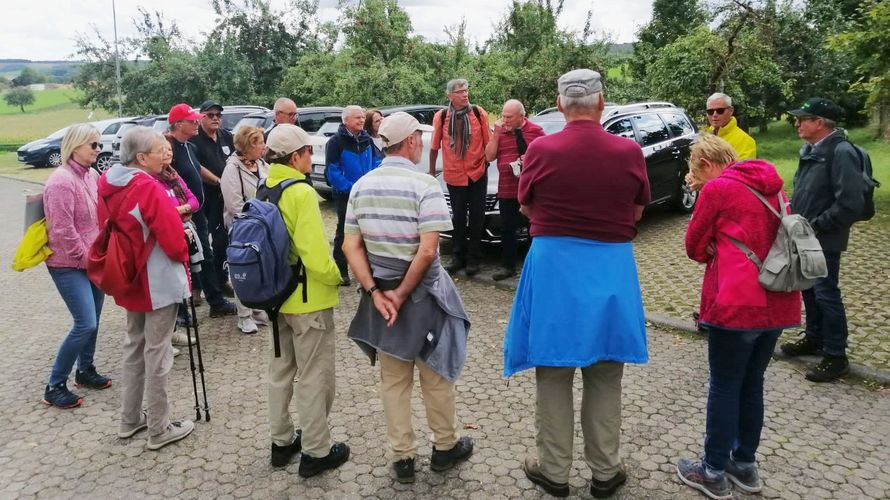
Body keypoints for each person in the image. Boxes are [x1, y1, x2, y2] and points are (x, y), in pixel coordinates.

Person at [503, 69, 649, 499]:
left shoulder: (542, 150)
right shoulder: (628, 152)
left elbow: (527, 207)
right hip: (611, 268)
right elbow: (637, 211)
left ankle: (554, 471)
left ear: (561, 104)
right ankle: (605, 472)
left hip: (556, 270)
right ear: (602, 102)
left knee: (553, 371)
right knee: (605, 373)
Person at [343, 112, 474, 484]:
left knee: (393, 381)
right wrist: (401, 293)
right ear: (413, 141)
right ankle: (444, 447)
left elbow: (350, 245)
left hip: (381, 298)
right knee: (435, 375)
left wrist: (376, 292)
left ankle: (403, 457)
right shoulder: (425, 186)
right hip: (422, 298)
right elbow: (428, 252)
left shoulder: (361, 187)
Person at [676, 134, 801, 500]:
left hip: (735, 303)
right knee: (752, 384)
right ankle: (744, 464)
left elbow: (693, 246)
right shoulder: (773, 186)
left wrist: (713, 241)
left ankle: (712, 470)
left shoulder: (719, 190)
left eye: (696, 171)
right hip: (777, 302)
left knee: (725, 384)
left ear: (709, 164)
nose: (695, 178)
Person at [99, 126, 195, 450]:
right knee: (158, 352)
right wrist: (186, 248)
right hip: (157, 280)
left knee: (134, 346)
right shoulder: (147, 186)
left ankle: (130, 419)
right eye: (159, 149)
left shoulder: (109, 182)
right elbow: (172, 239)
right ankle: (159, 427)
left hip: (129, 277)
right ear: (142, 157)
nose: (165, 154)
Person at [262, 124, 350, 476]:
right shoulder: (300, 192)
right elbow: (315, 255)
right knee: (314, 375)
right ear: (295, 156)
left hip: (275, 296)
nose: (311, 158)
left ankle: (281, 442)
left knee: (281, 371)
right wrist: (335, 276)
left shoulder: (264, 186)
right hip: (307, 299)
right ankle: (317, 450)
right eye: (308, 152)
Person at [780, 97, 864, 382]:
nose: (796, 123)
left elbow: (849, 203)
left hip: (823, 238)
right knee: (809, 289)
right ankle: (815, 337)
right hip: (804, 234)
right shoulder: (812, 149)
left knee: (827, 293)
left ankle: (836, 355)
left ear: (819, 123)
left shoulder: (841, 152)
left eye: (803, 119)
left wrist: (816, 226)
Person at [41, 123, 111, 409]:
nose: (99, 150)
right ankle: (54, 385)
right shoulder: (60, 182)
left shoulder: (92, 175)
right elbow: (61, 230)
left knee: (93, 318)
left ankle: (85, 370)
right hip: (67, 263)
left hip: (91, 260)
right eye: (93, 145)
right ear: (76, 146)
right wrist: (87, 259)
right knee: (85, 322)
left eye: (99, 144)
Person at [167, 103, 236, 318]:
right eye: (192, 120)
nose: (197, 122)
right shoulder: (168, 148)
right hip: (182, 214)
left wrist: (219, 181)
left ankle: (215, 301)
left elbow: (197, 169)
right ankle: (185, 310)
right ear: (179, 125)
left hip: (198, 209)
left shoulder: (189, 146)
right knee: (188, 260)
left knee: (205, 255)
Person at [430, 79, 490, 276]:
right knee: (457, 217)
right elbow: (434, 146)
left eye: (466, 90)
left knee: (477, 217)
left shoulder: (479, 113)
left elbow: (488, 144)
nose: (465, 94)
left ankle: (474, 258)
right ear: (450, 96)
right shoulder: (442, 116)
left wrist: (486, 163)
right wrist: (431, 172)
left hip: (477, 173)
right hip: (455, 174)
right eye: (460, 92)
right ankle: (458, 257)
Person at [484, 99, 545, 281]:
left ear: (521, 116)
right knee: (507, 229)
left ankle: (534, 268)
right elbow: (489, 156)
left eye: (509, 117)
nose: (505, 120)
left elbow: (546, 158)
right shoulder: (500, 132)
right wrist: (496, 134)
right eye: (503, 115)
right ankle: (507, 266)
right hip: (506, 189)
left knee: (532, 230)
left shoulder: (536, 132)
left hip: (530, 190)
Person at [220, 124, 271, 334]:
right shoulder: (232, 168)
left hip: (263, 226)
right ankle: (244, 316)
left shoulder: (261, 163)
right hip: (243, 228)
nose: (264, 146)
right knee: (243, 270)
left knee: (261, 269)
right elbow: (234, 205)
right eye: (259, 142)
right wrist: (257, 218)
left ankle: (258, 309)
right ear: (248, 145)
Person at [325, 105, 382, 286]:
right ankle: (342, 270)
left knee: (369, 231)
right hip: (346, 196)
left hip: (368, 195)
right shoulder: (335, 142)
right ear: (346, 120)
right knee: (344, 232)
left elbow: (377, 161)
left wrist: (373, 182)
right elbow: (332, 172)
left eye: (362, 117)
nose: (361, 120)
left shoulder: (366, 139)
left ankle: (367, 269)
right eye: (357, 117)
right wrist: (351, 188)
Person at [154, 140, 200, 351]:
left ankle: (171, 332)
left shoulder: (174, 175)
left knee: (181, 283)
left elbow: (194, 200)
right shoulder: (153, 181)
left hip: (184, 232)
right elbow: (164, 211)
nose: (168, 153)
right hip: (168, 237)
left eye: (170, 150)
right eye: (163, 150)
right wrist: (182, 210)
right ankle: (164, 338)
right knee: (167, 287)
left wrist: (180, 209)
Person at [191, 100, 235, 294]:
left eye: (218, 115)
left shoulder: (226, 136)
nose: (215, 118)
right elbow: (196, 167)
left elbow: (235, 159)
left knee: (221, 241)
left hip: (223, 197)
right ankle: (198, 285)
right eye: (210, 115)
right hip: (202, 196)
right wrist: (219, 181)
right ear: (201, 117)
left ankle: (221, 279)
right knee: (200, 242)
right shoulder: (195, 139)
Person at [704, 93, 756, 160]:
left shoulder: (746, 141)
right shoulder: (704, 137)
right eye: (710, 111)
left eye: (720, 111)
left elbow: (744, 169)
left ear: (731, 110)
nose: (714, 115)